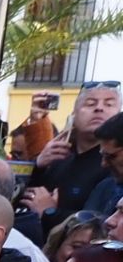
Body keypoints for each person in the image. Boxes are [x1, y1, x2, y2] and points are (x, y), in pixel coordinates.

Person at [23, 81, 122, 232]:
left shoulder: (116, 165)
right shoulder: (56, 156)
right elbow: (23, 199)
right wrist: (38, 165)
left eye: (109, 104)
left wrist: (50, 213)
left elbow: (104, 223)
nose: (99, 108)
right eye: (90, 103)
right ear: (74, 114)